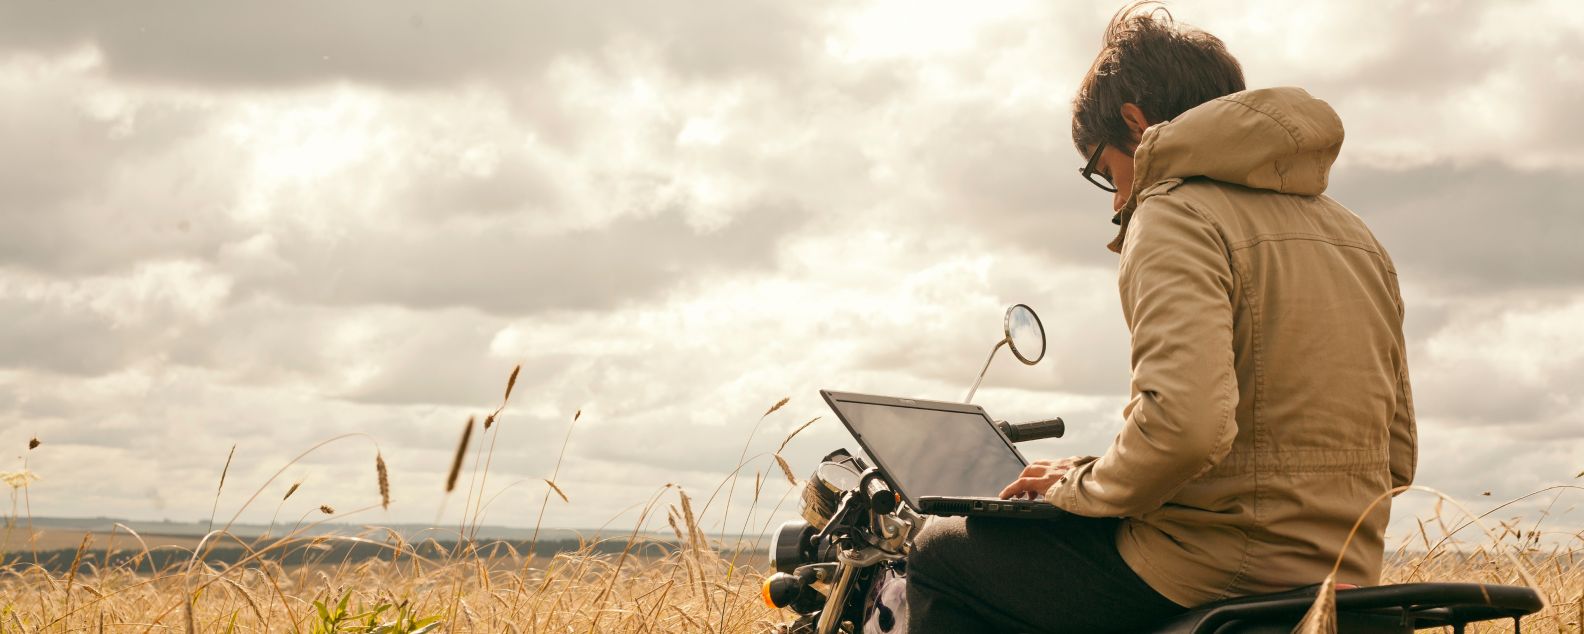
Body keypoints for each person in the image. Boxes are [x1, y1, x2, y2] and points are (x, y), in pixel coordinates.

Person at [904, 3, 1417, 632]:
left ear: (1134, 122)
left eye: (1102, 169)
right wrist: (1101, 473)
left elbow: (1190, 427)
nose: (1117, 195)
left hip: (1208, 568)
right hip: (1345, 570)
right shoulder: (1355, 236)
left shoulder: (1174, 213)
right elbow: (1398, 457)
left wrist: (1077, 490)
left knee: (936, 553)